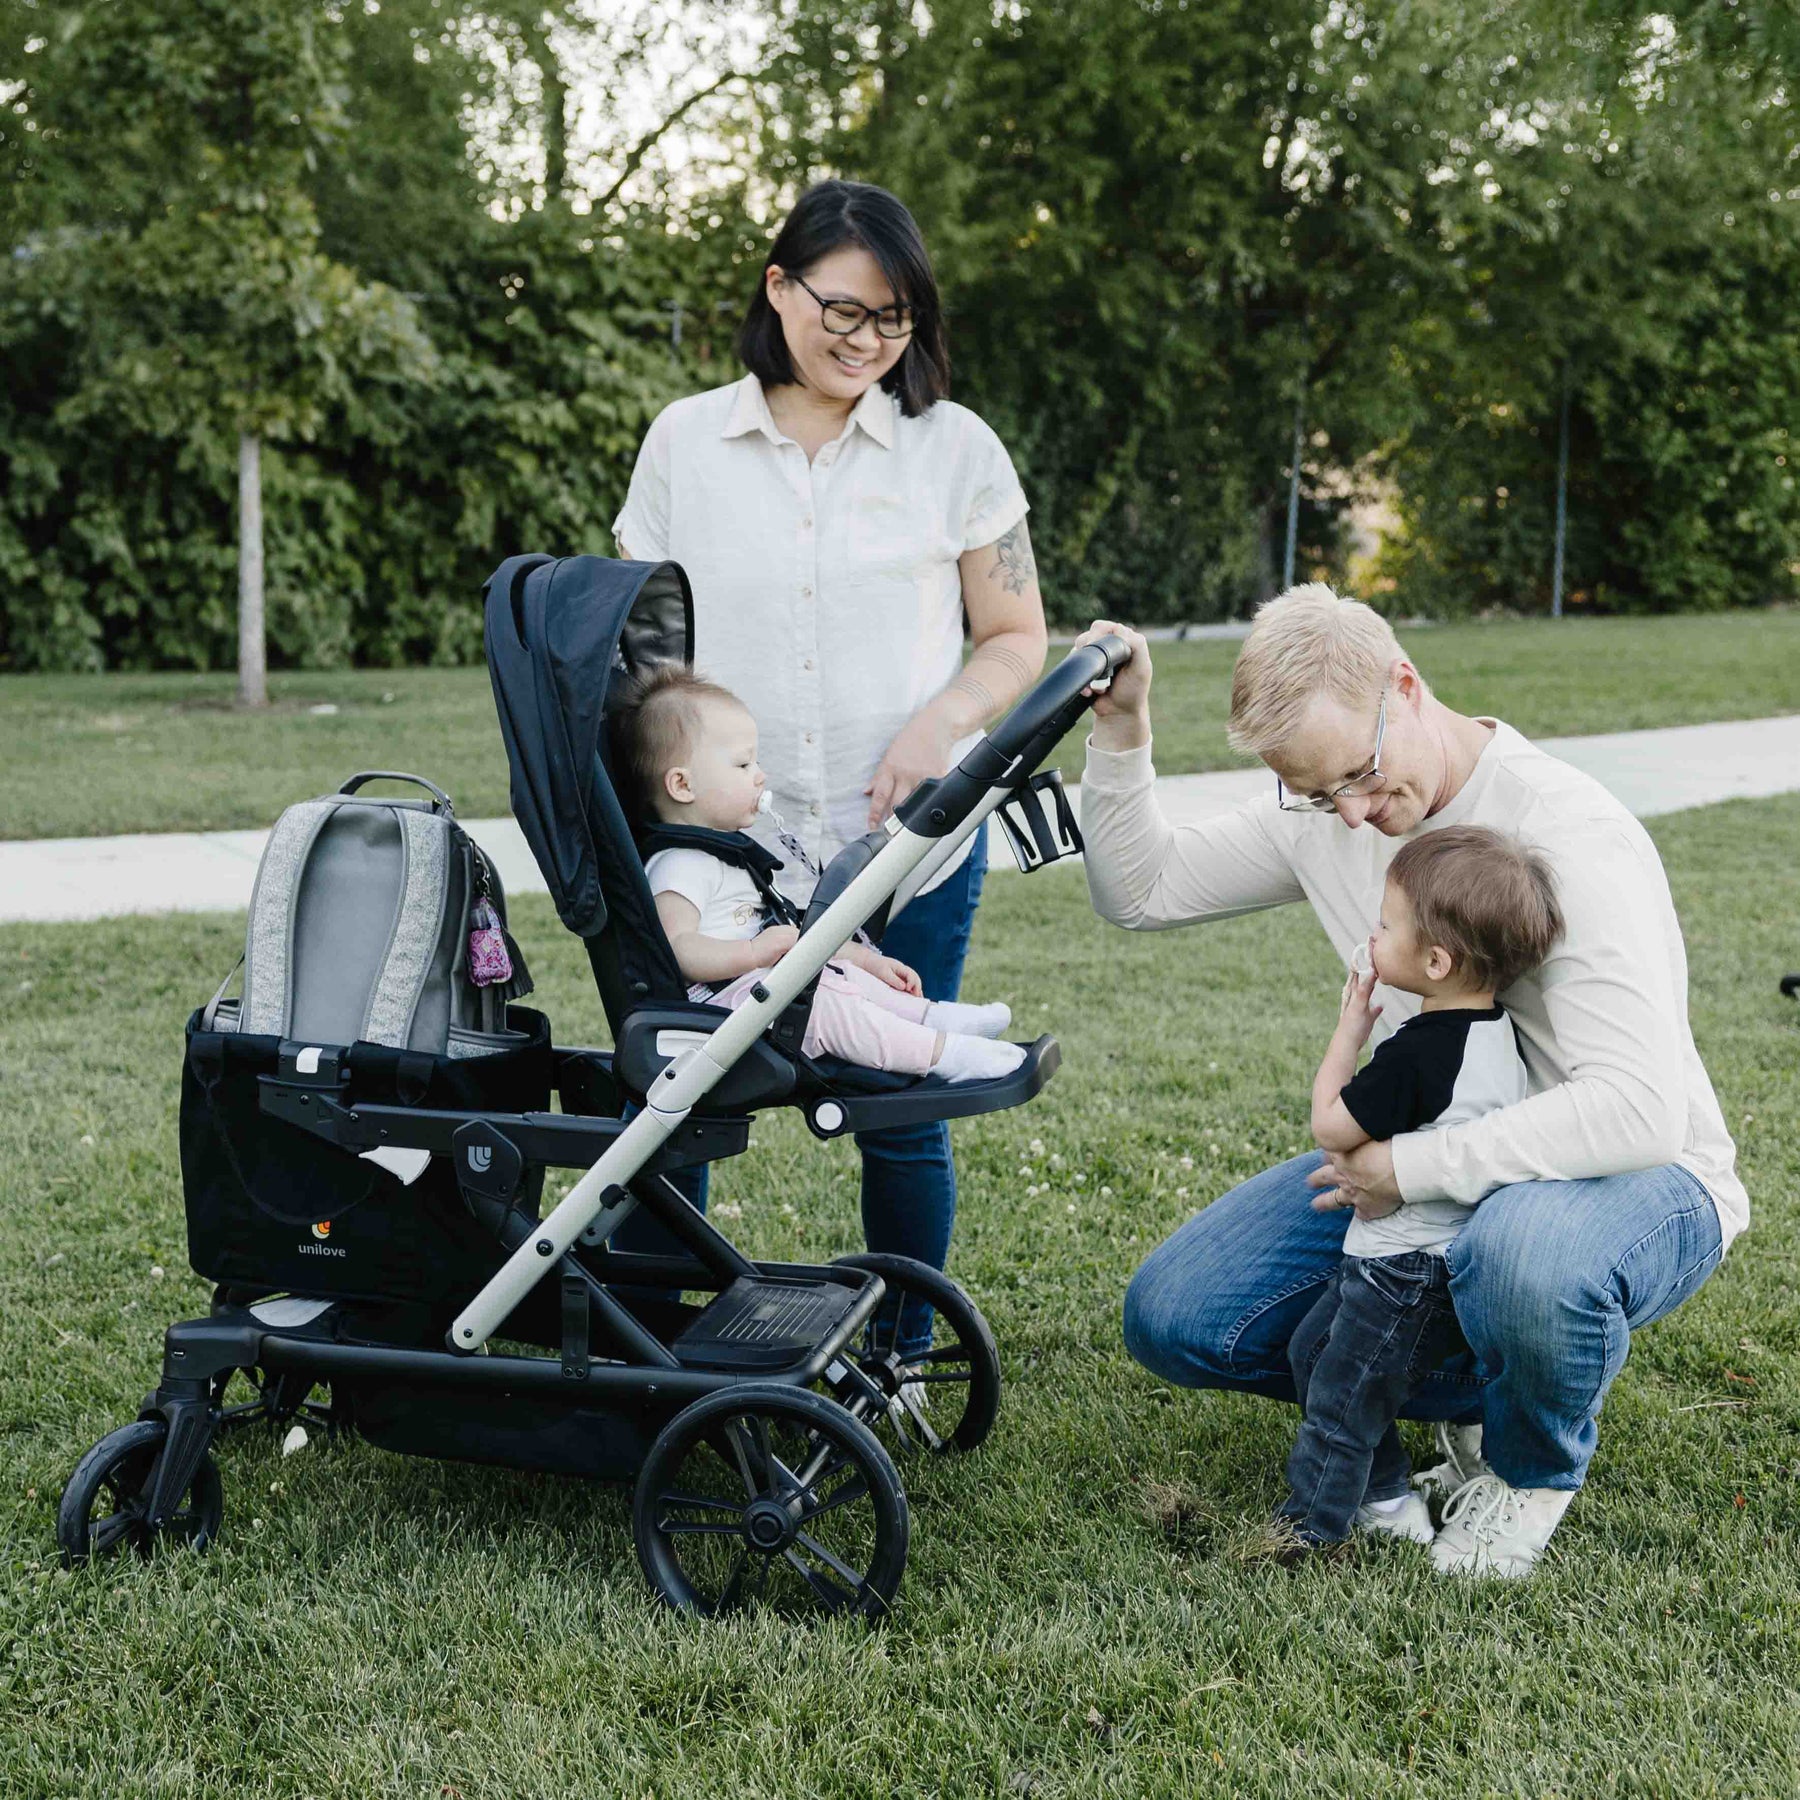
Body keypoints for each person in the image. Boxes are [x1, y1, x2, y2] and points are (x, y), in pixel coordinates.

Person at [1075, 585, 1746, 1579]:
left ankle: (1526, 1470)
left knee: (1523, 1255)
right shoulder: (1333, 812)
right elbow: (1142, 890)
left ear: (1406, 683)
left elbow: (1641, 1111)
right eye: (1313, 793)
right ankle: (1463, 1401)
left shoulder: (1564, 829)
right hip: (1432, 1165)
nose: (1350, 815)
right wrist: (1123, 733)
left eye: (1359, 775)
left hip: (1640, 1180)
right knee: (1181, 1314)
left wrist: (1412, 1166)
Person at [612, 179, 1047, 1352]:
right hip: (723, 858)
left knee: (901, 1108)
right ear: (777, 288)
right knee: (681, 1095)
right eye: (841, 311)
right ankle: (657, 1353)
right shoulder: (684, 445)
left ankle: (904, 1353)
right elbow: (641, 655)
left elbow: (1015, 637)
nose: (864, 342)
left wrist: (936, 725)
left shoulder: (953, 448)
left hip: (909, 845)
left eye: (893, 319)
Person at [1278, 826, 1562, 1556]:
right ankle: (1388, 1500)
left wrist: (1350, 1029)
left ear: (1435, 961)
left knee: (1342, 1400)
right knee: (1316, 1356)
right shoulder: (1497, 1036)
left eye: (1384, 925)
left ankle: (1307, 1530)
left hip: (1400, 1270)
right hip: (1425, 1260)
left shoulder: (1419, 1054)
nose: (1371, 936)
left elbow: (1330, 1126)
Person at [615, 666, 1024, 1085]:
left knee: (841, 978)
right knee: (827, 1006)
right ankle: (942, 1054)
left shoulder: (725, 856)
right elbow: (677, 948)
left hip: (758, 992)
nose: (760, 775)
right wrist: (753, 954)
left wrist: (865, 961)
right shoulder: (678, 864)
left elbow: (796, 939)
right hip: (720, 1013)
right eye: (742, 764)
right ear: (682, 785)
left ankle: (934, 1019)